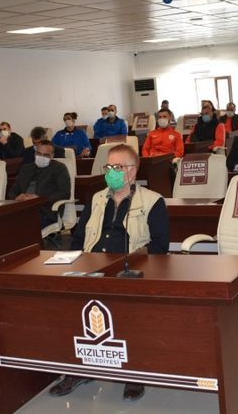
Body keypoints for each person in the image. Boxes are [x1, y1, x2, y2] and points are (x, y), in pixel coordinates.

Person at [50, 144, 169, 401]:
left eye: (118, 167)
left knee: (126, 309)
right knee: (65, 303)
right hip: (91, 267)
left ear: (132, 171)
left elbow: (160, 247)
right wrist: (72, 264)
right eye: (109, 167)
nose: (111, 172)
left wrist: (130, 266)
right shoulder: (96, 199)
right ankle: (79, 367)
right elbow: (79, 237)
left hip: (130, 271)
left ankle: (133, 372)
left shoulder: (153, 201)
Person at [6, 140, 70, 229]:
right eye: (39, 154)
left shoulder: (59, 168)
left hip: (45, 211)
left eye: (46, 155)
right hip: (22, 209)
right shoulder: (26, 168)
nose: (41, 157)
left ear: (52, 156)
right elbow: (12, 192)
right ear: (35, 154)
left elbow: (64, 192)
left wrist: (39, 199)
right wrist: (16, 198)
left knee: (21, 225)